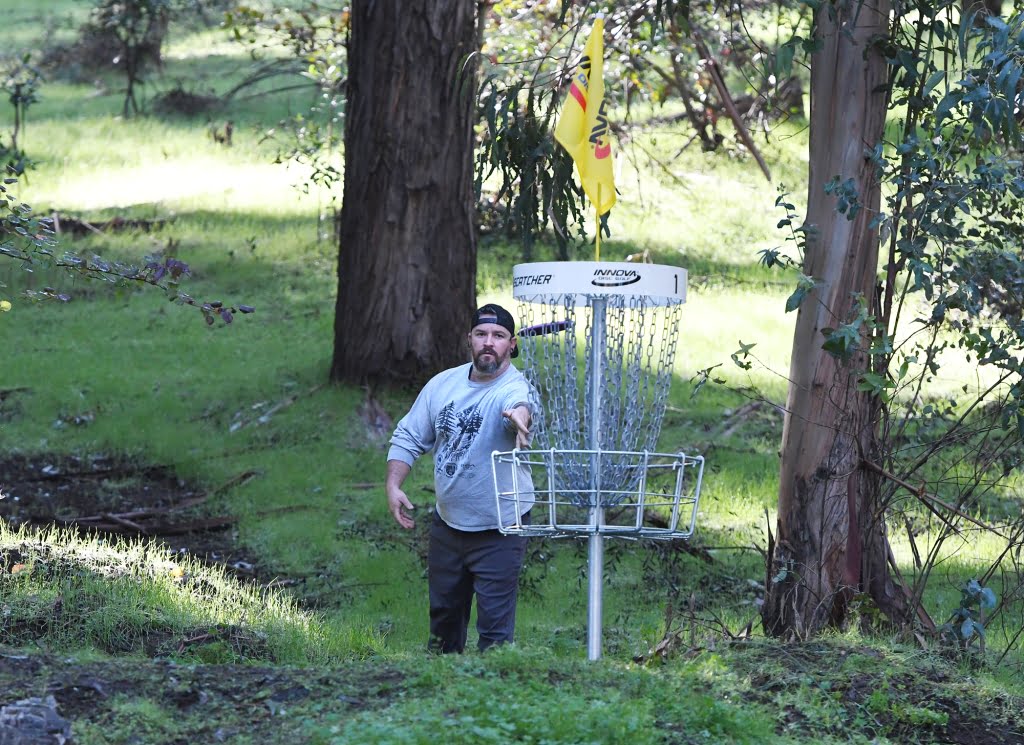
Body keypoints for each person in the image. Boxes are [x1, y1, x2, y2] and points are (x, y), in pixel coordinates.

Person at [385, 303, 536, 653]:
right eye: (481, 334)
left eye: (498, 336)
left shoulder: (515, 388)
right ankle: (442, 696)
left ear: (511, 344)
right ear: (469, 338)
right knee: (443, 627)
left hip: (501, 525)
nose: (488, 343)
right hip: (449, 525)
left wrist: (519, 418)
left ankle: (493, 699)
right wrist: (393, 485)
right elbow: (408, 436)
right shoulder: (443, 384)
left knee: (495, 634)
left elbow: (522, 406)